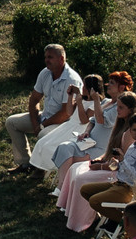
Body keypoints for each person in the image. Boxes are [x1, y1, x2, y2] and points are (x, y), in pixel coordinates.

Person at [55, 100, 136, 228]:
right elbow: (111, 152)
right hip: (109, 164)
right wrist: (100, 160)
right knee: (74, 168)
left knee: (81, 178)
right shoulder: (119, 125)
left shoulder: (130, 132)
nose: (117, 109)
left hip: (117, 173)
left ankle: (83, 219)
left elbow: (122, 163)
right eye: (117, 106)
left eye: (121, 107)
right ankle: (70, 210)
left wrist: (101, 166)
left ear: (130, 109)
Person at [5, 43, 85, 173]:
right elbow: (34, 100)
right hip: (45, 117)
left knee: (43, 135)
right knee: (12, 122)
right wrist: (36, 122)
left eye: (50, 57)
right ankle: (25, 163)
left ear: (61, 59)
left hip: (64, 124)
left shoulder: (71, 79)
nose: (47, 60)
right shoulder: (45, 73)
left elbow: (65, 113)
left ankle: (41, 168)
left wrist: (42, 126)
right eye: (46, 57)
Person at [74, 116, 136, 232]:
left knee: (94, 201)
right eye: (134, 130)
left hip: (129, 189)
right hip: (118, 183)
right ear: (130, 131)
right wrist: (117, 163)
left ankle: (126, 223)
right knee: (85, 190)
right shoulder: (134, 145)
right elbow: (126, 167)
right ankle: (112, 216)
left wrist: (123, 161)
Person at [48, 78, 126, 175]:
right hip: (88, 142)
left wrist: (96, 100)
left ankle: (63, 186)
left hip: (100, 148)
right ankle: (61, 187)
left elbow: (101, 120)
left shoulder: (119, 108)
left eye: (112, 83)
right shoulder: (106, 101)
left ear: (121, 87)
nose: (107, 85)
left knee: (68, 157)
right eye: (108, 82)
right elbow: (92, 121)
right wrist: (87, 132)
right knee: (64, 147)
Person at [29, 72, 102, 171]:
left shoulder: (95, 103)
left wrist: (80, 103)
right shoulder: (82, 98)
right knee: (43, 143)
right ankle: (39, 167)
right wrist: (70, 96)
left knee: (52, 147)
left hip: (79, 130)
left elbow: (84, 120)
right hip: (69, 125)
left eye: (85, 86)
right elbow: (69, 112)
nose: (83, 88)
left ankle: (50, 168)